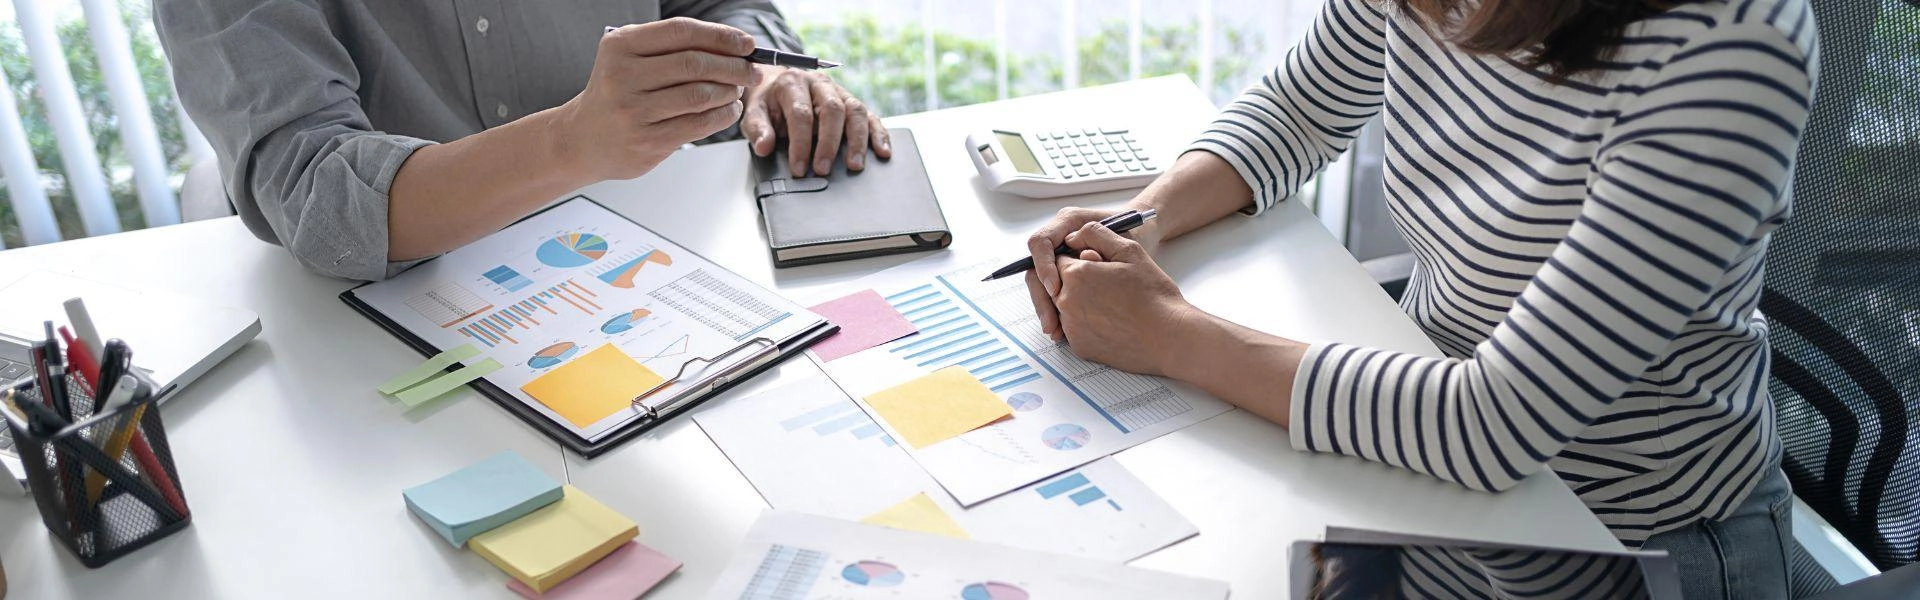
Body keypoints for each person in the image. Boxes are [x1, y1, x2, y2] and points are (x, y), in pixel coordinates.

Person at [1024, 0, 1814, 597]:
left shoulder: (1729, 48)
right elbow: (1299, 109)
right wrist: (1144, 219)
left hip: (1621, 531)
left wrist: (1163, 332)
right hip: (1421, 471)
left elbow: (1496, 425)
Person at [155, 2, 889, 281]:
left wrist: (758, 70)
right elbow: (318, 196)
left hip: (664, 273)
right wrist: (571, 142)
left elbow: (713, 4)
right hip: (394, 351)